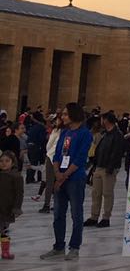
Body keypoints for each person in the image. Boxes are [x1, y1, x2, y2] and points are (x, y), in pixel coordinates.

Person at [40, 102, 93, 260]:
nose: (62, 117)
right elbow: (57, 154)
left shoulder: (85, 134)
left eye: (65, 114)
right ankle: (58, 246)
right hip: (60, 177)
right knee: (58, 213)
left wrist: (64, 175)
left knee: (76, 214)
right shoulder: (64, 133)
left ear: (74, 115)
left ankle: (74, 247)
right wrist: (57, 172)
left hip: (74, 178)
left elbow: (80, 158)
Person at [88, 113, 124, 227]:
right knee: (96, 193)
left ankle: (106, 217)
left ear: (107, 120)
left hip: (109, 169)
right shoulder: (104, 134)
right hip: (99, 167)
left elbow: (117, 153)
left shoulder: (117, 135)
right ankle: (94, 216)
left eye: (102, 119)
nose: (101, 121)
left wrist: (111, 167)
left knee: (107, 193)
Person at [0, 149, 21, 260]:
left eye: (7, 161)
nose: (3, 163)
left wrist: (17, 208)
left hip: (7, 209)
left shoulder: (16, 177)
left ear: (12, 162)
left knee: (4, 230)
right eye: (1, 161)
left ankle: (5, 251)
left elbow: (19, 194)